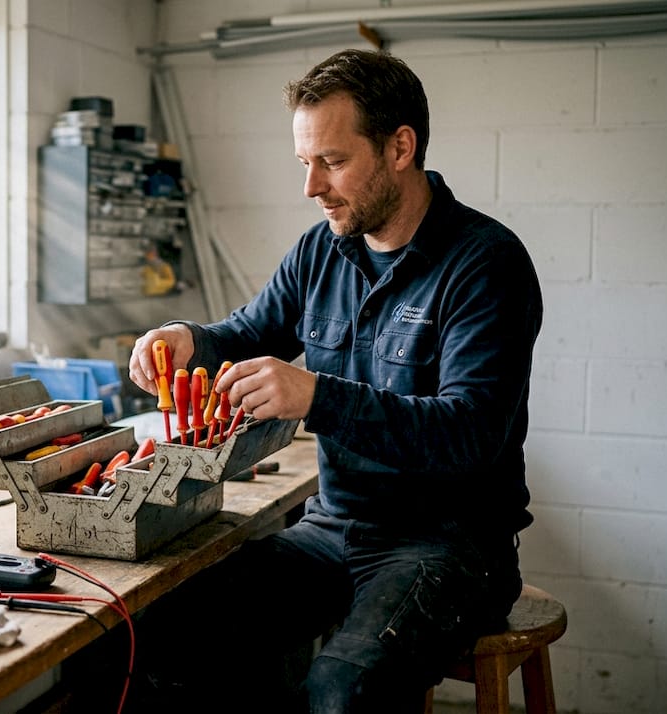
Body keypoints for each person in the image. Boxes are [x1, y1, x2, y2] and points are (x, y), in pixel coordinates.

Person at [128, 48, 543, 712]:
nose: (312, 187)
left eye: (334, 162)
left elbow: (470, 433)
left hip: (452, 546)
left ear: (399, 147)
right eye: (304, 164)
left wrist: (316, 397)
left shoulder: (485, 264)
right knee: (166, 635)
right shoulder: (321, 250)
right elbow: (245, 333)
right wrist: (186, 340)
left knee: (342, 690)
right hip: (333, 529)